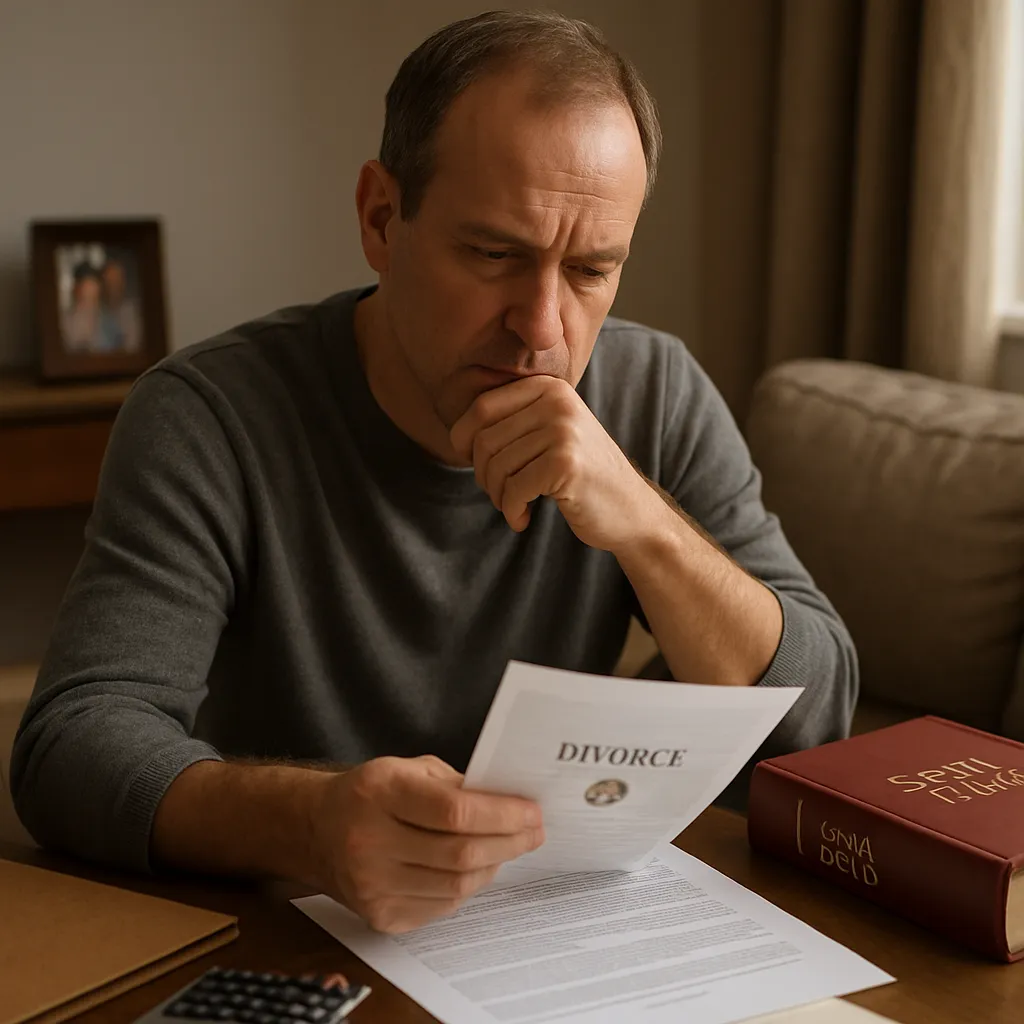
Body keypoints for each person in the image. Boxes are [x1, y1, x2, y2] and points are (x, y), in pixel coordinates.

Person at [11, 11, 858, 935]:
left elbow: (817, 719)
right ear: (382, 217)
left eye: (589, 270)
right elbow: (71, 748)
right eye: (495, 255)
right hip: (293, 933)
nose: (542, 329)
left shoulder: (656, 391)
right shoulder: (206, 417)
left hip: (548, 937)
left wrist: (644, 524)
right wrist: (312, 823)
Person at [99, 257, 143, 353]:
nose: (113, 287)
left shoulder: (133, 313)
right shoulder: (96, 314)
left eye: (116, 280)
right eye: (109, 281)